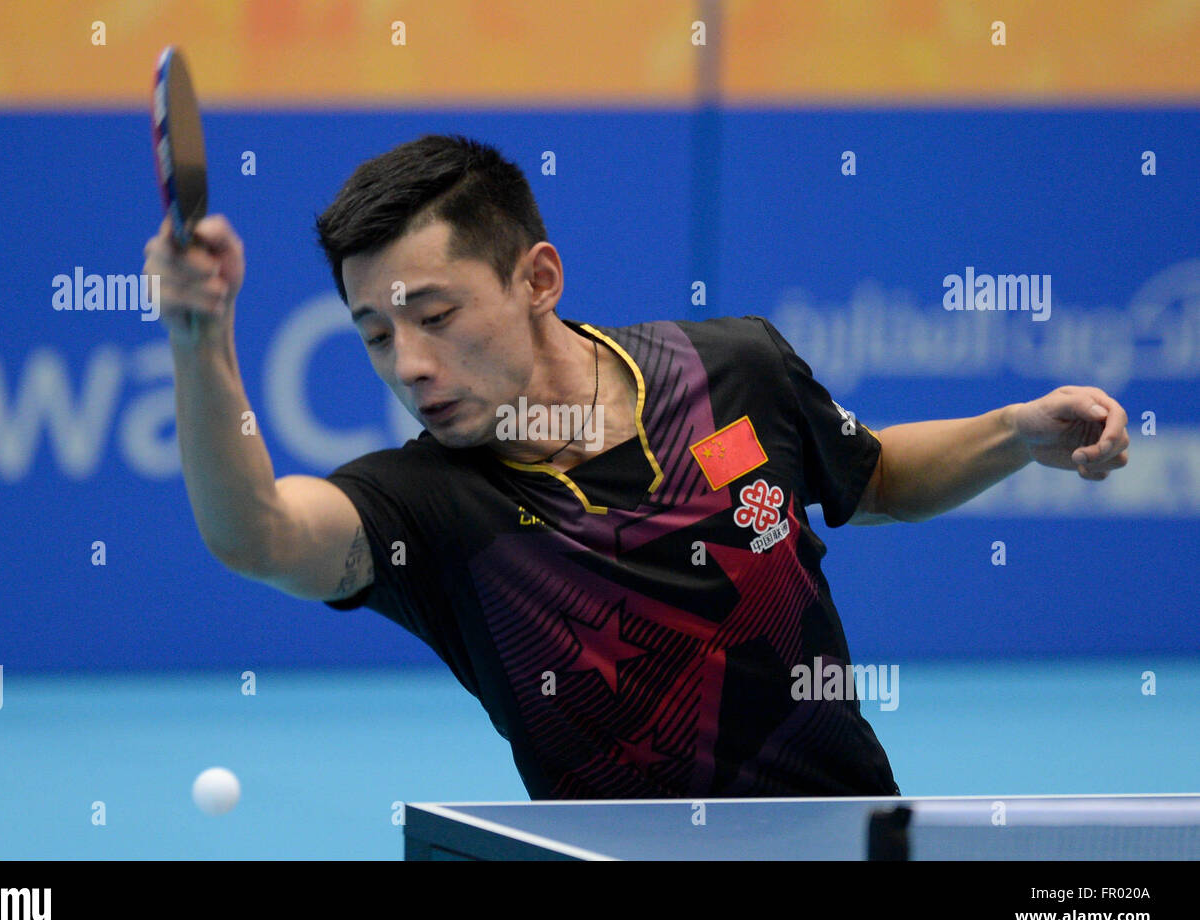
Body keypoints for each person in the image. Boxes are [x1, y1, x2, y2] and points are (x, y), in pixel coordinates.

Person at [143, 133, 1129, 800]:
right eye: (372, 334)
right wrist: (200, 341)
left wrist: (1013, 432)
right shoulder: (423, 504)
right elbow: (261, 534)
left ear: (538, 277)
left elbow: (869, 481)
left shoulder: (732, 366)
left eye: (434, 316)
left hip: (846, 838)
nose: (409, 363)